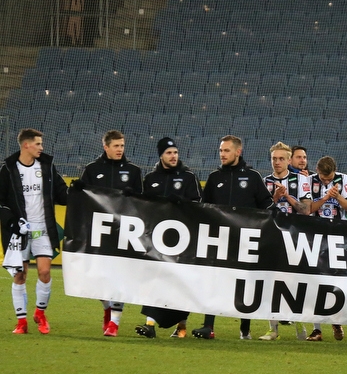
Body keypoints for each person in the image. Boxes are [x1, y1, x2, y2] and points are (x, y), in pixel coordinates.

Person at [192, 136, 274, 340]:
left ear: (238, 152)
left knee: (245, 284)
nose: (222, 154)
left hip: (246, 240)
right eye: (221, 150)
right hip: (219, 239)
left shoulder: (253, 177)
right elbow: (204, 208)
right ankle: (208, 326)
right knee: (213, 281)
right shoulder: (214, 178)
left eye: (226, 150)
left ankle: (245, 329)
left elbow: (268, 207)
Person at [0, 129, 68, 335]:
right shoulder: (8, 170)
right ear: (26, 145)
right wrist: (13, 221)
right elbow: (1, 202)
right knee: (20, 275)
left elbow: (61, 194)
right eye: (38, 144)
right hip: (19, 230)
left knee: (45, 272)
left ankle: (40, 313)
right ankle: (21, 322)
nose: (41, 147)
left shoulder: (46, 167)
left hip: (43, 227)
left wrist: (80, 194)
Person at [135, 137, 203, 339]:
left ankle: (181, 326)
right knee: (154, 280)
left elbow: (200, 205)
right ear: (161, 155)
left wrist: (181, 203)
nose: (173, 156)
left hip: (184, 240)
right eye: (169, 153)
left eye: (175, 152)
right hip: (157, 240)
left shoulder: (188, 177)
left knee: (181, 283)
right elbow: (142, 207)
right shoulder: (151, 178)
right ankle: (150, 324)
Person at [79, 130, 143, 337]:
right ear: (105, 147)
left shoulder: (133, 171)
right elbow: (82, 199)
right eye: (116, 146)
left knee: (119, 278)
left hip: (124, 232)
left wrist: (134, 197)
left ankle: (114, 323)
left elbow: (142, 203)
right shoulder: (92, 169)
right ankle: (107, 305)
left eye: (122, 146)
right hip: (98, 231)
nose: (120, 150)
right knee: (95, 279)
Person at [260, 142, 312, 341]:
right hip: (272, 235)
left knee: (295, 282)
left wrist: (287, 197)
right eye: (274, 158)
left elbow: (306, 210)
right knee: (270, 281)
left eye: (281, 158)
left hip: (295, 236)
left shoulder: (301, 181)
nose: (277, 162)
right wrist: (274, 197)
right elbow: (262, 211)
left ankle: (301, 326)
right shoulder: (264, 181)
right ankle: (273, 329)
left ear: (289, 160)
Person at [307, 156, 347, 342]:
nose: (326, 181)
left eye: (329, 178)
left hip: (339, 236)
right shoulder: (309, 181)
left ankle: (336, 320)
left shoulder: (344, 180)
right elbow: (307, 209)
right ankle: (316, 328)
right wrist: (326, 197)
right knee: (314, 280)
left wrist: (338, 196)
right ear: (317, 171)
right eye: (323, 178)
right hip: (315, 236)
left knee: (337, 281)